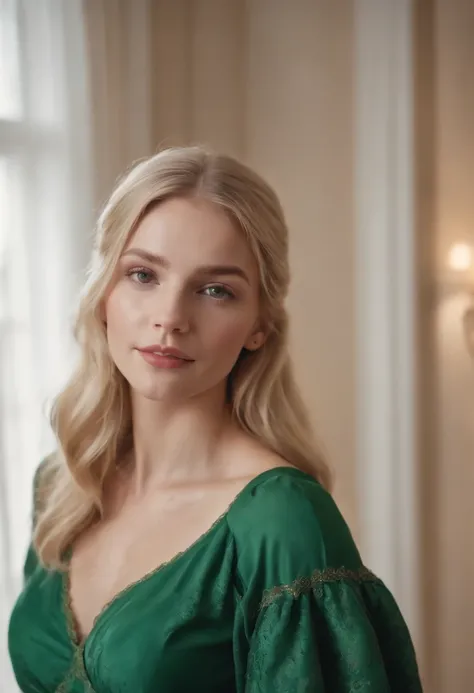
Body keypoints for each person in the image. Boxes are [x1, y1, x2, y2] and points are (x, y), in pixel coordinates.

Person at [8, 146, 423, 693]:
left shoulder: (282, 522)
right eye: (142, 274)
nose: (171, 318)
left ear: (259, 324)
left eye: (215, 290)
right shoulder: (63, 487)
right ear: (104, 293)